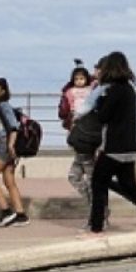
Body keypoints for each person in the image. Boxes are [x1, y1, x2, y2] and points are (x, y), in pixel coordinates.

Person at [82, 51, 136, 236]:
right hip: (130, 147)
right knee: (129, 185)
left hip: (114, 148)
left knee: (98, 183)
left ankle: (96, 228)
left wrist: (98, 102)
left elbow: (103, 116)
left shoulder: (113, 91)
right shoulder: (129, 89)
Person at [0, 77, 29, 227]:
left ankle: (6, 212)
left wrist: (10, 145)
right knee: (9, 181)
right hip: (5, 146)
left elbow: (13, 127)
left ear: (3, 91)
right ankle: (20, 214)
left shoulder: (3, 105)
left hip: (6, 146)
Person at [58, 59, 95, 205]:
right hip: (76, 129)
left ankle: (96, 205)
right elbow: (63, 110)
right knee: (77, 175)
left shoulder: (91, 90)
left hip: (87, 132)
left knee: (87, 173)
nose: (79, 81)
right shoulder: (69, 92)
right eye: (76, 79)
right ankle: (94, 202)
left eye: (82, 78)